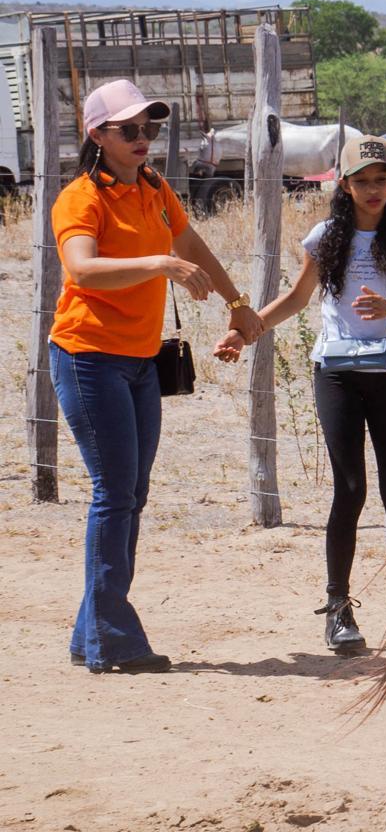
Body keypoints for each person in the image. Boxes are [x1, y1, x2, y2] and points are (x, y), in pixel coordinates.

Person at [50, 79, 264, 673]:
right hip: (88, 357)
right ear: (98, 135)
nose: (143, 138)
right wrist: (160, 264)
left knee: (131, 495)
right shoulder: (80, 199)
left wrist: (236, 302)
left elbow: (191, 241)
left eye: (149, 128)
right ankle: (114, 640)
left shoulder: (153, 187)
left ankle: (91, 634)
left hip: (141, 362)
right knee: (115, 493)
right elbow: (82, 270)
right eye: (129, 129)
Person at [215, 137, 386, 656]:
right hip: (338, 375)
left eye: (381, 179)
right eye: (361, 181)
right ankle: (338, 608)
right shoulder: (326, 237)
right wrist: (245, 332)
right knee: (350, 490)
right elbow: (297, 298)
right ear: (343, 186)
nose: (372, 190)